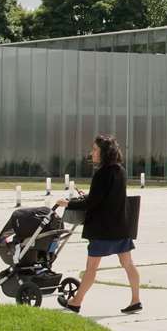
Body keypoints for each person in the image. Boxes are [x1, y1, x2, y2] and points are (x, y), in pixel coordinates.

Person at [55, 134, 140, 314]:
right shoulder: (120, 171)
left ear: (104, 152)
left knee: (91, 268)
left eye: (95, 149)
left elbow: (92, 203)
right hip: (121, 227)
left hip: (103, 229)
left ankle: (76, 302)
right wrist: (90, 196)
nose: (92, 152)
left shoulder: (102, 173)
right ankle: (136, 300)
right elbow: (106, 198)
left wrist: (68, 203)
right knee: (128, 264)